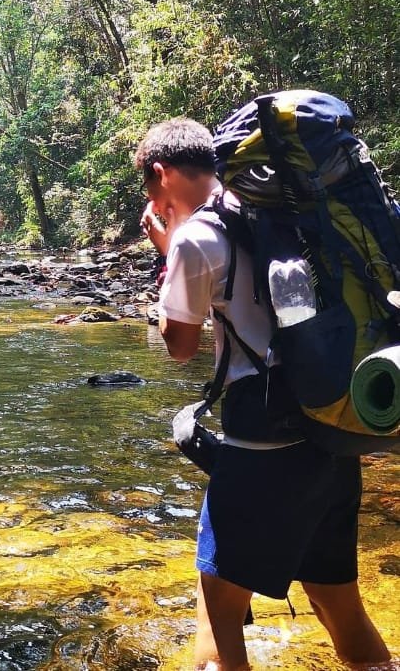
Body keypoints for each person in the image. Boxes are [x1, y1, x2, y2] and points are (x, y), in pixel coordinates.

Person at [134, 117, 392, 670]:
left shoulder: (199, 237)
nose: (152, 199)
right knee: (339, 604)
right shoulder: (286, 214)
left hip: (264, 441)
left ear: (161, 174)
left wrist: (170, 249)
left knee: (218, 610)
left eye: (151, 188)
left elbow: (179, 345)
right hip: (332, 428)